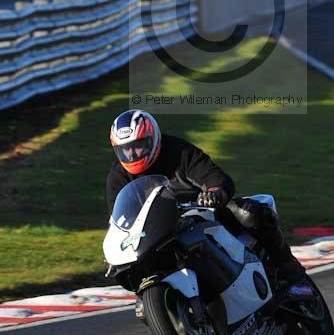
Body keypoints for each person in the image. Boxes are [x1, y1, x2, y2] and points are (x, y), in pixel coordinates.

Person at [107, 110, 307, 298]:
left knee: (250, 213)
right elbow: (119, 219)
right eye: (126, 150)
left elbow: (214, 176)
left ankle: (291, 272)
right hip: (157, 231)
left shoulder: (179, 152)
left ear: (154, 138)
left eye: (139, 145)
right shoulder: (118, 177)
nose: (133, 154)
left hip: (199, 212)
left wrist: (214, 192)